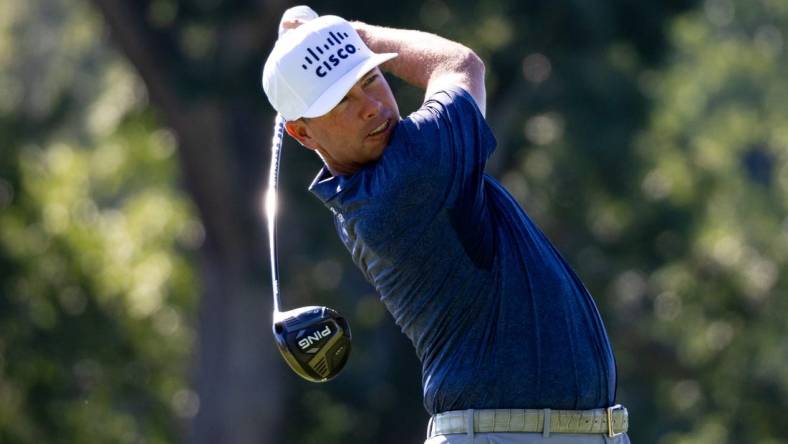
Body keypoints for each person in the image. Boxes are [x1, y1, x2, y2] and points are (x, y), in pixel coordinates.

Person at [262, 7, 630, 444]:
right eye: (342, 101)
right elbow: (460, 64)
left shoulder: (367, 184)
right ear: (303, 134)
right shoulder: (410, 174)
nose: (373, 107)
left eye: (370, 80)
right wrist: (356, 32)